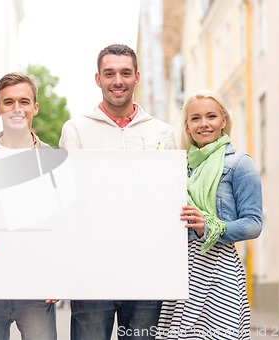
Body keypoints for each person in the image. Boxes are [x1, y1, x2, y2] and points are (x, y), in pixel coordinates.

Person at [59, 44, 176, 340]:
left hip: (146, 270)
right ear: (98, 79)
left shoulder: (162, 133)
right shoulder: (76, 130)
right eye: (109, 73)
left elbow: (170, 200)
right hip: (92, 271)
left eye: (125, 73)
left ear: (137, 77)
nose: (117, 81)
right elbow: (66, 202)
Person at [156, 90, 262, 339]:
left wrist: (211, 226)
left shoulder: (239, 163)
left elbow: (254, 223)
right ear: (187, 126)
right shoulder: (177, 166)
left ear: (223, 120)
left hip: (220, 272)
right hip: (182, 273)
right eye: (196, 118)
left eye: (211, 116)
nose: (204, 124)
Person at [0, 72, 58, 340]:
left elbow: (62, 225)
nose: (17, 109)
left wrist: (59, 276)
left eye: (24, 101)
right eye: (9, 102)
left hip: (37, 289)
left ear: (35, 108)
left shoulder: (52, 159)